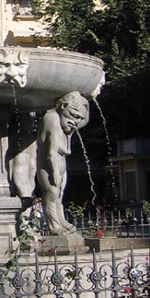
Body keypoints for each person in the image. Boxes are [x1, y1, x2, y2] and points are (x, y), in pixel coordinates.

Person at [36, 91, 90, 234]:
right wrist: (54, 171)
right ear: (63, 106)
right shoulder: (52, 119)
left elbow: (66, 147)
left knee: (59, 193)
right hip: (49, 162)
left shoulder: (62, 120)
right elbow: (51, 152)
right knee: (51, 191)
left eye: (79, 118)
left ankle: (61, 219)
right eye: (75, 116)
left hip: (60, 161)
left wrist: (85, 105)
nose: (76, 122)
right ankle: (53, 225)